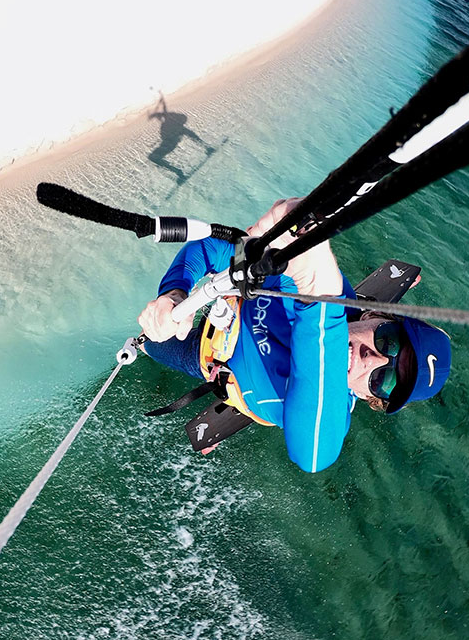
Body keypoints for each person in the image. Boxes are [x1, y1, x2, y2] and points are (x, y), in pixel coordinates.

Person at [137, 198, 452, 472]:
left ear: (372, 399)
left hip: (210, 358)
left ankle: (233, 398)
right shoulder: (318, 291)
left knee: (149, 342)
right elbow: (213, 248)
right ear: (377, 315)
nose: (372, 360)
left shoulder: (329, 419)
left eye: (386, 381)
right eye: (389, 341)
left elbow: (313, 455)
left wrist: (320, 292)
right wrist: (174, 294)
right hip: (235, 311)